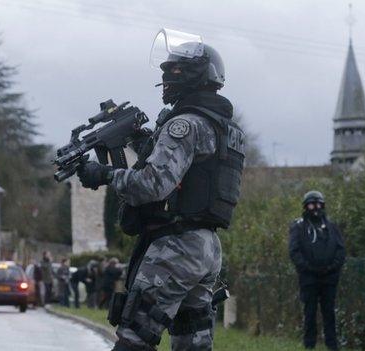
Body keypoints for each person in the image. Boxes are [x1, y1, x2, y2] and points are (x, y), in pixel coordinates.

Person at [77, 28, 245, 351]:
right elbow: (195, 174)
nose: (167, 77)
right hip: (207, 248)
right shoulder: (223, 127)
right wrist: (145, 142)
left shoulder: (184, 124)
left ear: (197, 76)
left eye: (175, 71)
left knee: (134, 339)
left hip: (176, 248)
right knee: (192, 344)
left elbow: (153, 185)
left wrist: (105, 175)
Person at [289, 191, 346, 351]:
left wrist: (332, 267)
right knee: (310, 312)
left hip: (329, 278)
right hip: (309, 278)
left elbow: (341, 250)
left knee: (329, 312)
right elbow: (294, 251)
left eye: (319, 204)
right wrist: (308, 268)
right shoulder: (299, 227)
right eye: (313, 204)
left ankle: (332, 345)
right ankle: (309, 345)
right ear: (306, 207)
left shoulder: (331, 226)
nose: (316, 208)